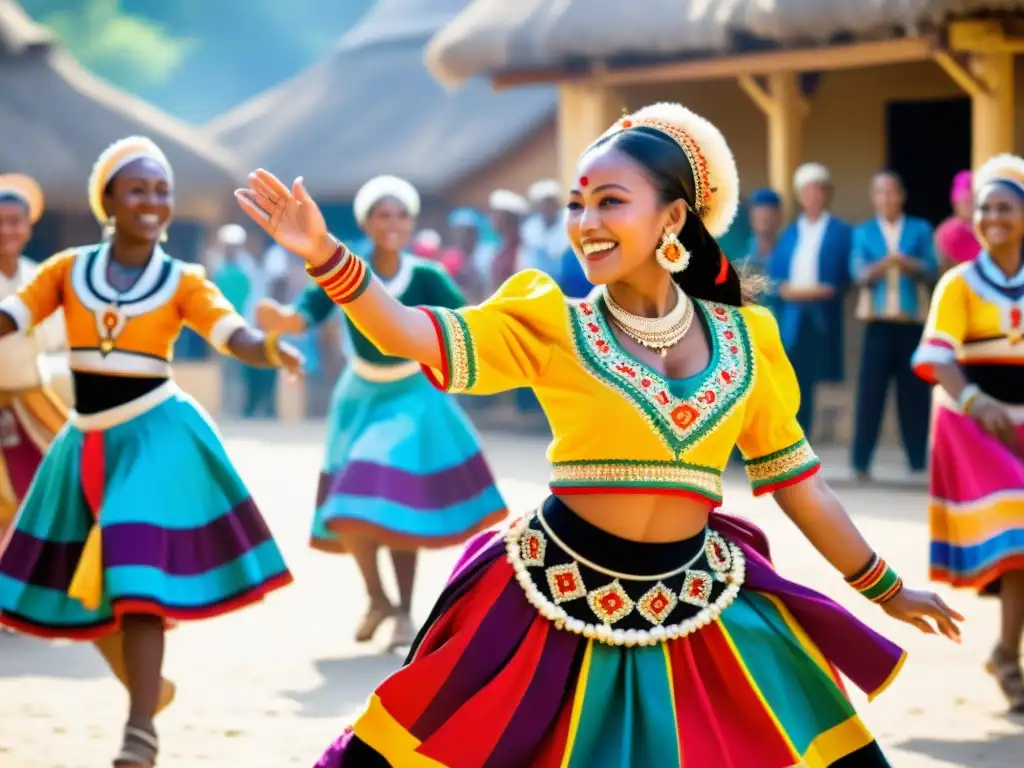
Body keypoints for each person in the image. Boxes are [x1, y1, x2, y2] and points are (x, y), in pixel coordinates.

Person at [238, 102, 962, 767]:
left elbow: (801, 485)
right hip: (544, 606)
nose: (585, 222)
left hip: (699, 604)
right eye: (577, 205)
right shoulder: (553, 322)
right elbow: (407, 331)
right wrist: (325, 255)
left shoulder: (749, 341)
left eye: (610, 202)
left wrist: (884, 587)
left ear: (674, 218)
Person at [0, 137, 297, 768]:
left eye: (161, 190)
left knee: (133, 573)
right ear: (105, 198)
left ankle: (139, 733)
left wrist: (269, 348)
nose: (153, 201)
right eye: (137, 189)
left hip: (156, 436)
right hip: (84, 440)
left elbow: (233, 334)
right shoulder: (66, 271)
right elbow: (10, 317)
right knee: (86, 585)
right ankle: (150, 691)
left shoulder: (183, 281)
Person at [255, 175, 506, 650]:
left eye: (401, 215)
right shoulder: (344, 267)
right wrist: (278, 321)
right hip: (360, 396)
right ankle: (377, 599)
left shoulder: (426, 276)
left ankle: (405, 614)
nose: (393, 224)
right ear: (365, 222)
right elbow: (305, 311)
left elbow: (468, 321)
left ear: (411, 223)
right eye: (382, 215)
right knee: (347, 507)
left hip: (413, 396)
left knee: (393, 497)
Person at [912, 153, 1024, 714]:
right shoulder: (959, 283)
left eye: (1005, 206)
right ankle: (1007, 656)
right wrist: (978, 402)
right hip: (974, 425)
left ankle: (1007, 653)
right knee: (1020, 527)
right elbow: (939, 358)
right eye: (985, 207)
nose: (993, 216)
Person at [850, 171, 936, 480]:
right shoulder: (863, 232)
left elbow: (931, 268)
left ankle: (916, 462)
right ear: (874, 197)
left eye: (891, 192)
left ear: (902, 195)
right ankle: (860, 463)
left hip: (911, 323)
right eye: (880, 193)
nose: (886, 198)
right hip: (877, 324)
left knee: (914, 394)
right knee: (870, 393)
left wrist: (909, 263)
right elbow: (857, 273)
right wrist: (886, 263)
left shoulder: (920, 228)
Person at [769, 163, 852, 436]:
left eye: (818, 189)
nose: (813, 196)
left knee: (815, 376)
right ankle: (792, 434)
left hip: (821, 317)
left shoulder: (840, 231)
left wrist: (813, 291)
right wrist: (798, 291)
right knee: (791, 375)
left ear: (827, 194)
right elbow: (776, 278)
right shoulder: (791, 233)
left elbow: (840, 280)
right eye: (807, 190)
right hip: (793, 317)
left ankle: (807, 435)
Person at [521, 178, 570, 277]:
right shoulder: (530, 227)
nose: (548, 207)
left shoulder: (567, 222)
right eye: (544, 203)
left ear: (557, 204)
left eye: (550, 202)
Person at [935, 170, 981, 272]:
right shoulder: (945, 232)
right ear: (955, 202)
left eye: (971, 201)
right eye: (964, 202)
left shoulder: (987, 229)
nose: (968, 206)